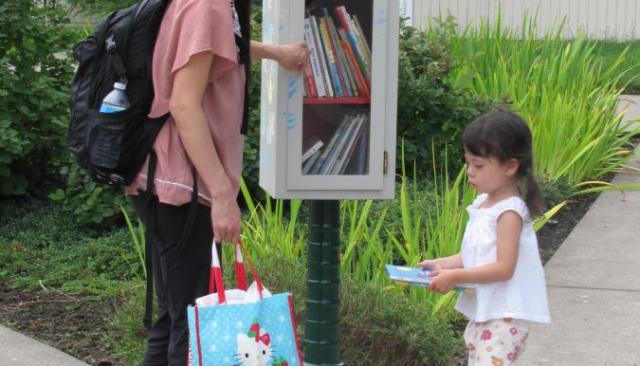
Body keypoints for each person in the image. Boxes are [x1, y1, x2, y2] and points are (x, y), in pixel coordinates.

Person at [125, 0, 309, 364]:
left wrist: (274, 52)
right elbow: (183, 104)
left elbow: (212, 47)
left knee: (175, 317)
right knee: (190, 325)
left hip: (165, 181)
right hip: (182, 189)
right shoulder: (208, 5)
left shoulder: (207, 6)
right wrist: (224, 195)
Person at [420, 109, 550, 365]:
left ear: (510, 167)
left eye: (478, 165)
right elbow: (480, 252)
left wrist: (457, 276)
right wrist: (445, 264)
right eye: (468, 162)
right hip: (488, 310)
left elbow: (504, 268)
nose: (470, 171)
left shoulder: (508, 212)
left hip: (505, 315)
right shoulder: (483, 204)